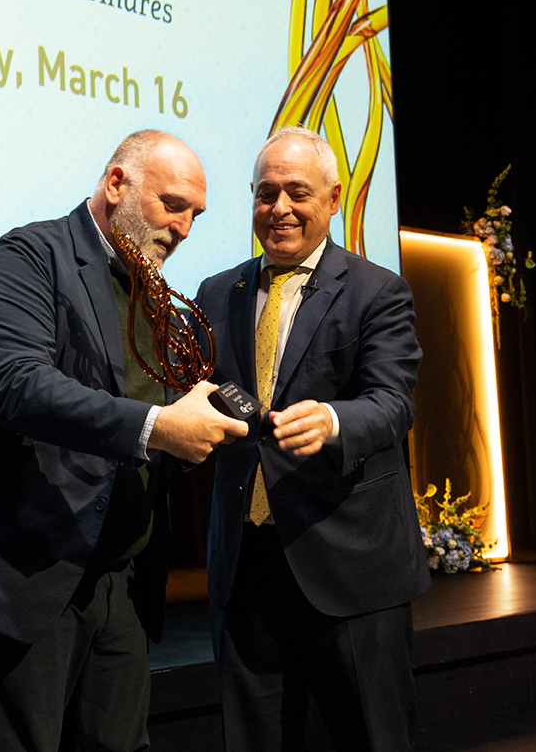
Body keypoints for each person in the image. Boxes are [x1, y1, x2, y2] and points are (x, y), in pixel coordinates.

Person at [0, 129, 248, 752]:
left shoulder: (154, 293)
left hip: (118, 581)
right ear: (117, 183)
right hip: (16, 576)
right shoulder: (28, 258)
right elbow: (18, 385)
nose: (183, 228)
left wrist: (195, 424)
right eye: (172, 205)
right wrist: (159, 427)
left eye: (195, 215)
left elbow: (156, 412)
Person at [195, 127, 429, 752]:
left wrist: (332, 420)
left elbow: (392, 404)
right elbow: (203, 394)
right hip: (245, 570)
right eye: (266, 193)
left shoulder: (378, 290)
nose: (280, 208)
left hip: (352, 568)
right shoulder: (216, 292)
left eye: (297, 192)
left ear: (332, 198)